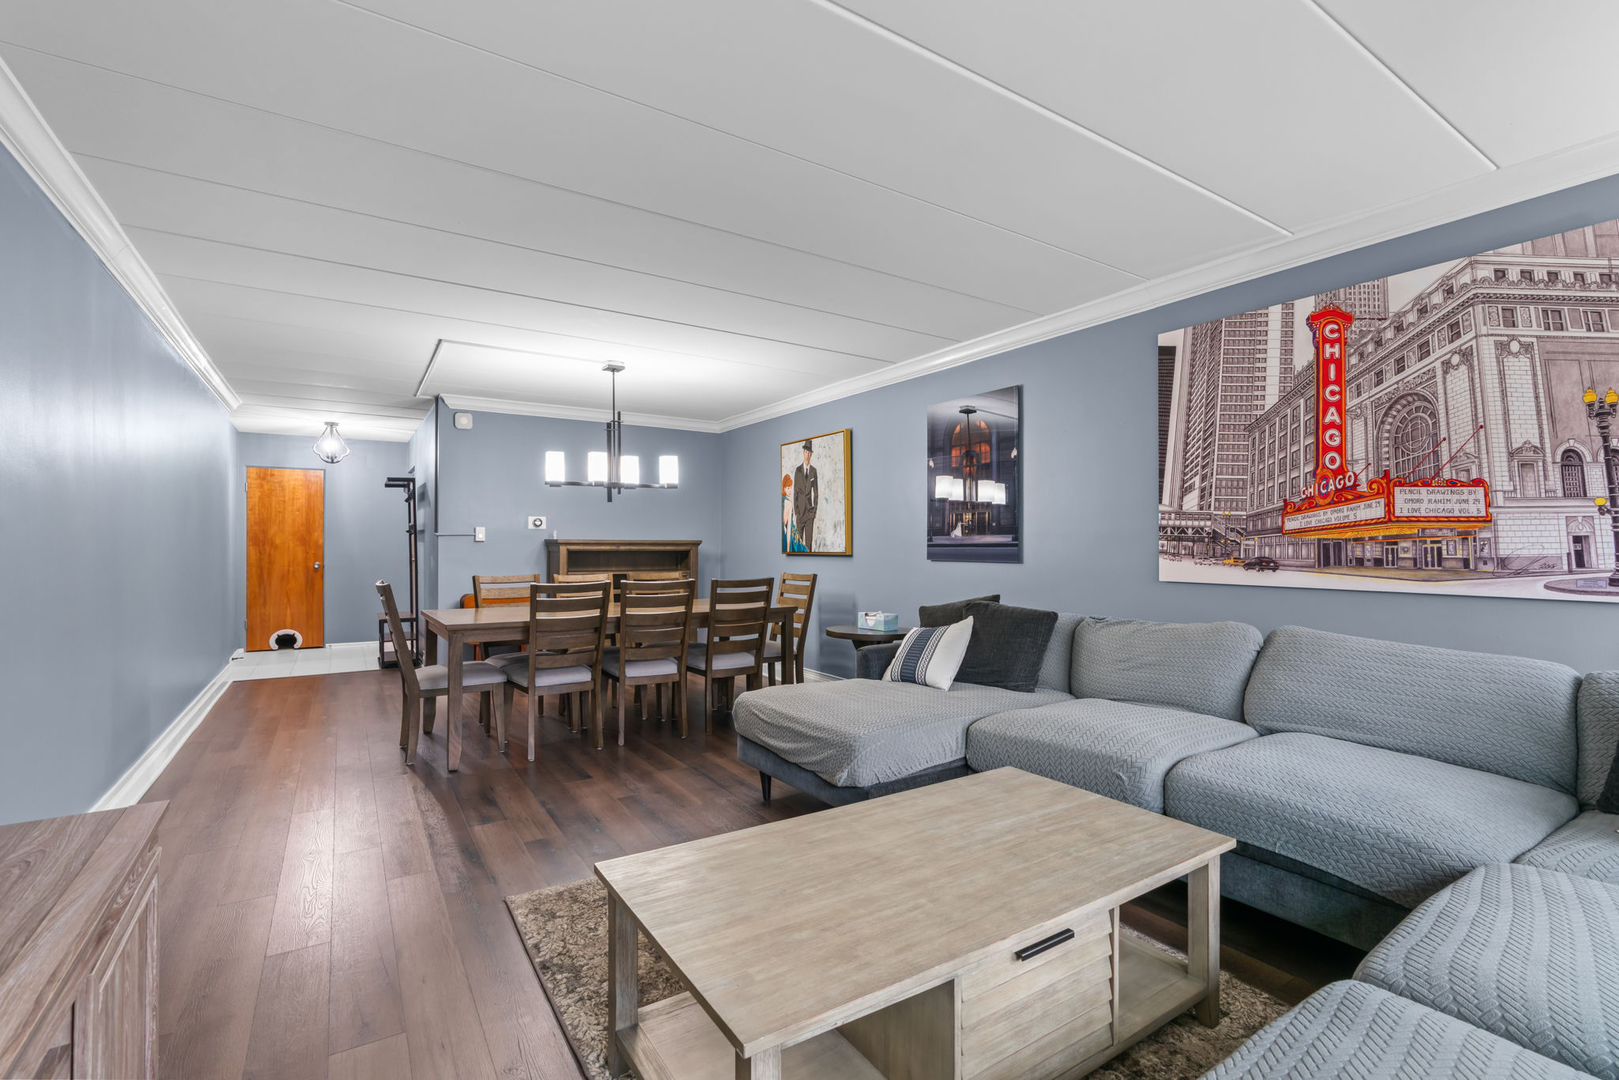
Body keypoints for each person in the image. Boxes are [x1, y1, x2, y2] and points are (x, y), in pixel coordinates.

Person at [792, 440, 819, 551]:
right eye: (805, 452)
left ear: (811, 454)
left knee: (808, 546)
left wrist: (814, 512)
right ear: (803, 453)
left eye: (809, 453)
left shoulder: (813, 471)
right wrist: (796, 512)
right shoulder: (798, 471)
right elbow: (795, 492)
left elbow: (816, 493)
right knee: (798, 545)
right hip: (800, 514)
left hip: (809, 514)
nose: (807, 455)